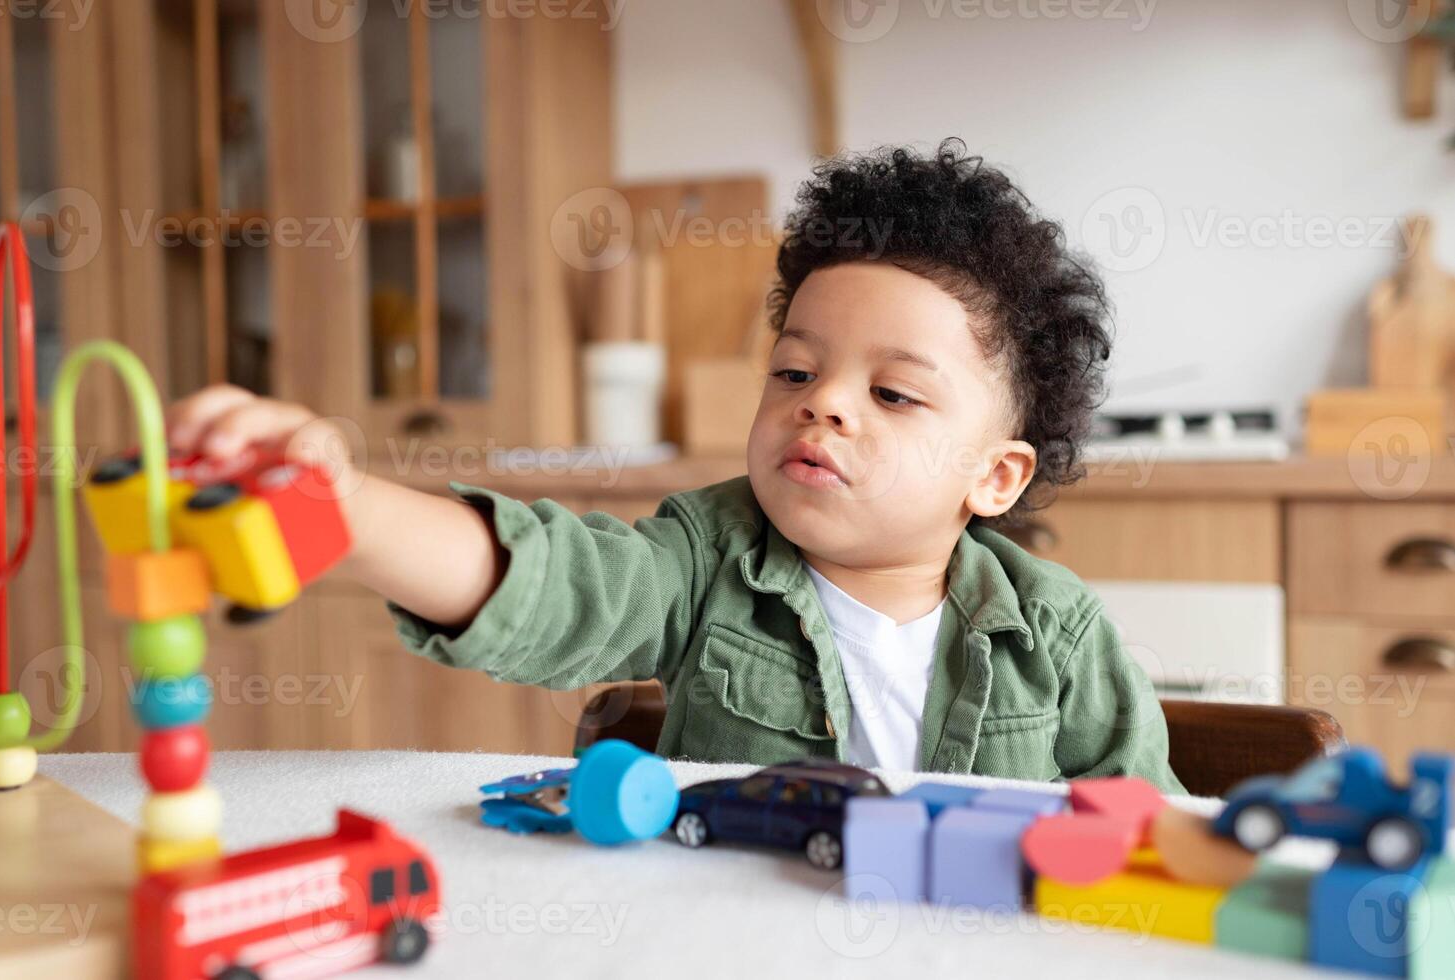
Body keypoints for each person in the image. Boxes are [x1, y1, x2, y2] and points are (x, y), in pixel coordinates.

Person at [166, 140, 1183, 789]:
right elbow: (554, 582)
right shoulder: (706, 556)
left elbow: (1146, 838)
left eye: (891, 393)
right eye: (795, 369)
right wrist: (340, 503)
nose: (819, 400)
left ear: (994, 477)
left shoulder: (1055, 632)